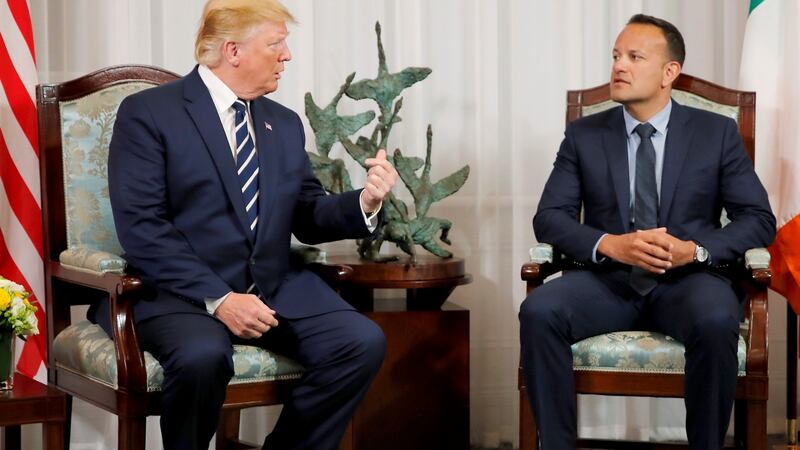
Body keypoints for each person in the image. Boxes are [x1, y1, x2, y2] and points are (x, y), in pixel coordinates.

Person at [95, 1, 399, 449]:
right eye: (277, 43)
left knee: (359, 343)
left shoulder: (284, 122)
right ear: (233, 51)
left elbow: (307, 215)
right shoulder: (149, 114)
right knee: (202, 356)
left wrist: (365, 202)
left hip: (273, 287)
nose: (288, 55)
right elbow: (142, 228)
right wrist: (218, 298)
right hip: (179, 293)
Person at [518, 14, 775, 450]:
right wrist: (610, 245)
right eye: (616, 56)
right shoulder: (584, 135)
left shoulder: (716, 133)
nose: (619, 66)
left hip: (689, 282)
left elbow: (758, 218)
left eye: (634, 57)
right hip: (607, 282)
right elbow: (550, 217)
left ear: (668, 72)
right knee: (539, 311)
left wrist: (693, 251)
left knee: (716, 320)